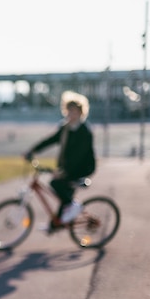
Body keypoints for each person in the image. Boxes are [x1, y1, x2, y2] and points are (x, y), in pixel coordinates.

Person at [24, 90, 96, 229]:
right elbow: (50, 140)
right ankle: (56, 224)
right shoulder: (65, 128)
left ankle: (74, 207)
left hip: (82, 168)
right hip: (68, 167)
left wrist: (63, 171)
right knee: (63, 196)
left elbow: (78, 156)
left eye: (74, 112)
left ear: (81, 113)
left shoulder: (84, 131)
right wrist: (32, 150)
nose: (71, 115)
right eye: (69, 111)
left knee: (56, 184)